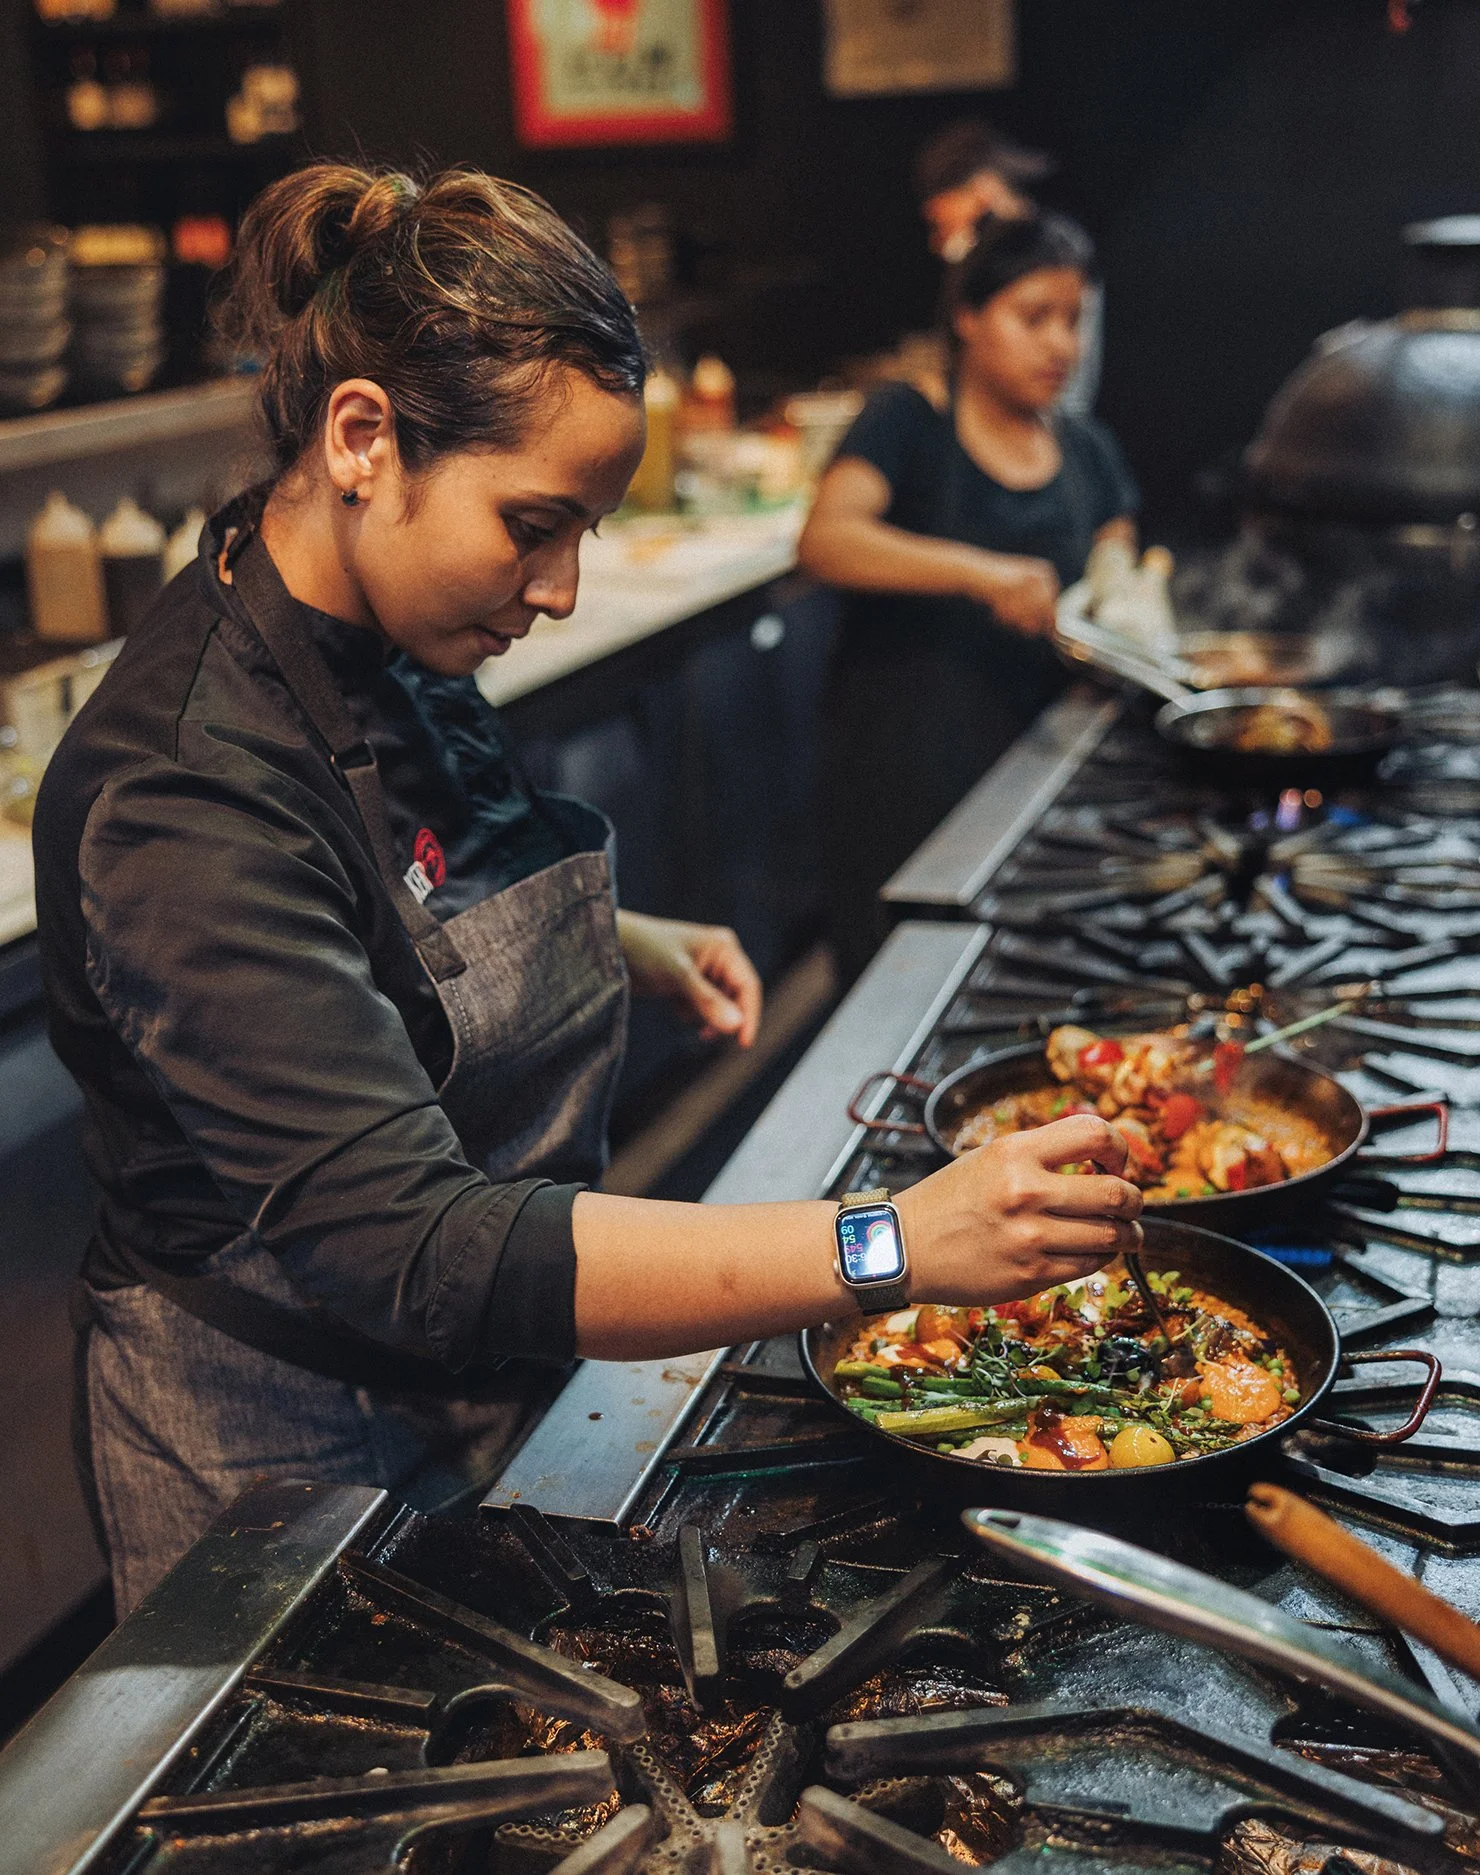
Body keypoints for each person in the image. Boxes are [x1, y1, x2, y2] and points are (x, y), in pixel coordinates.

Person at [34, 164, 1144, 1614]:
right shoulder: (182, 792)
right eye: (532, 524)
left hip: (465, 1382)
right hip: (268, 1438)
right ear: (363, 436)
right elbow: (411, 1245)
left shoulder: (381, 624)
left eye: (584, 537)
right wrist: (891, 1242)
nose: (557, 588)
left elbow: (384, 895)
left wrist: (617, 936)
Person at [800, 213, 1138, 982]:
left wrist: (1121, 602)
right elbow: (825, 539)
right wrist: (984, 573)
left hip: (1037, 782)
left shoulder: (1087, 448)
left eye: (1073, 321)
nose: (1061, 345)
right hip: (904, 777)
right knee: (893, 991)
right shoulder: (906, 421)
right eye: (1034, 318)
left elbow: (1121, 550)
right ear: (968, 317)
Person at [914, 119, 1103, 417]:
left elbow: (1071, 397)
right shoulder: (982, 267)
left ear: (983, 191)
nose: (940, 241)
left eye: (942, 222)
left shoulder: (1063, 261)